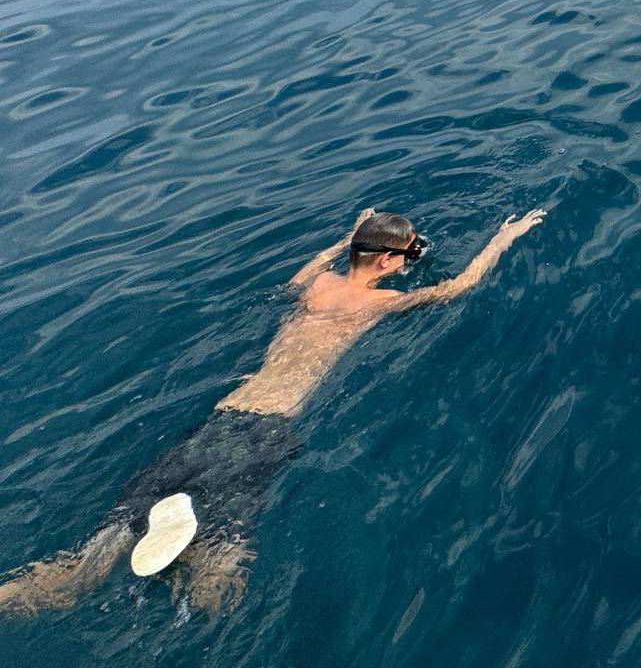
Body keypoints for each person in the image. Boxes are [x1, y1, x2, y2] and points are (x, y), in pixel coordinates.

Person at [0, 208, 547, 615]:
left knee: (107, 537)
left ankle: (41, 585)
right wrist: (505, 238)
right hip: (268, 429)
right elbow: (460, 287)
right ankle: (197, 576)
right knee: (222, 568)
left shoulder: (320, 284)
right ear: (386, 259)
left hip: (223, 415)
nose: (409, 264)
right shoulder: (380, 301)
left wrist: (342, 238)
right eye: (407, 255)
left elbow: (298, 277)